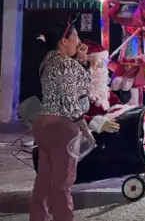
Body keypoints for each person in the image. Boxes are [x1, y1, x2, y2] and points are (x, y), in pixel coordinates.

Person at [31, 19, 89, 221]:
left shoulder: (47, 60)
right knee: (63, 181)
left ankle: (38, 218)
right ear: (64, 40)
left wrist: (80, 60)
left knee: (45, 178)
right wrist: (85, 129)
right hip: (62, 126)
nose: (79, 40)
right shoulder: (65, 64)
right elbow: (70, 100)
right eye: (75, 36)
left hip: (43, 123)